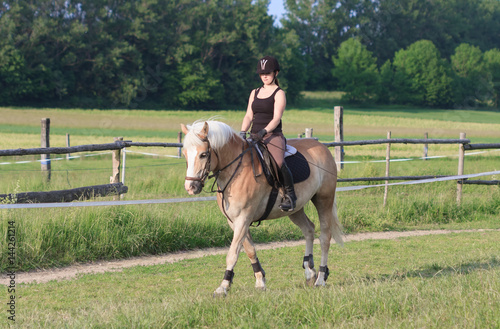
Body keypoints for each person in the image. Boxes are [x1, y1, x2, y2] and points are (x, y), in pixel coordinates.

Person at [240, 56, 297, 212]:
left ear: (275, 73)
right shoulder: (254, 92)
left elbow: (276, 118)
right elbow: (248, 115)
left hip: (272, 136)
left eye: (268, 73)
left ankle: (290, 195)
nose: (264, 76)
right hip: (254, 136)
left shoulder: (279, 93)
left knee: (278, 163)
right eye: (261, 73)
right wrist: (242, 132)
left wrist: (264, 131)